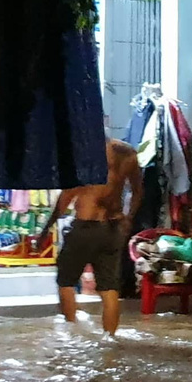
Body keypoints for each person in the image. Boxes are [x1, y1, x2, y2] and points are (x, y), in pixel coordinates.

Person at [39, 139, 143, 336]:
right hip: (113, 228)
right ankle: (110, 337)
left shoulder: (88, 152)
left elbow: (67, 196)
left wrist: (46, 228)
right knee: (109, 287)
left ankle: (71, 333)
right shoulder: (128, 152)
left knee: (66, 280)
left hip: (85, 226)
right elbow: (138, 190)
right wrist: (129, 217)